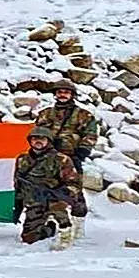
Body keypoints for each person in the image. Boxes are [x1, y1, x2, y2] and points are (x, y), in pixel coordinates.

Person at [34, 78, 98, 239]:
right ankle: (51, 222)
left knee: (75, 192)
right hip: (48, 159)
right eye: (60, 92)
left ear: (72, 95)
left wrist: (82, 152)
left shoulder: (84, 115)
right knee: (46, 190)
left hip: (71, 158)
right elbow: (36, 133)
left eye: (66, 92)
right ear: (55, 94)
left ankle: (78, 226)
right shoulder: (45, 113)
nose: (63, 95)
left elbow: (91, 134)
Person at [14, 127, 78, 249]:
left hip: (55, 199)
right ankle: (50, 228)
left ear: (48, 141)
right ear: (30, 141)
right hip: (34, 202)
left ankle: (66, 233)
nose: (38, 141)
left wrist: (61, 194)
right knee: (28, 238)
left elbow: (73, 183)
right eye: (34, 139)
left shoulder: (61, 159)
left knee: (60, 213)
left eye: (42, 139)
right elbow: (17, 182)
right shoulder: (22, 160)